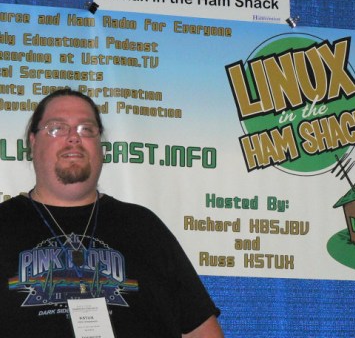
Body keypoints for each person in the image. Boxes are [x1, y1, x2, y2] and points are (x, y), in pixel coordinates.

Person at [0, 88, 224, 338]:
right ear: (33, 142)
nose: (74, 137)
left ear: (100, 145)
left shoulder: (143, 227)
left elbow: (203, 332)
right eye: (57, 128)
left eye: (86, 129)